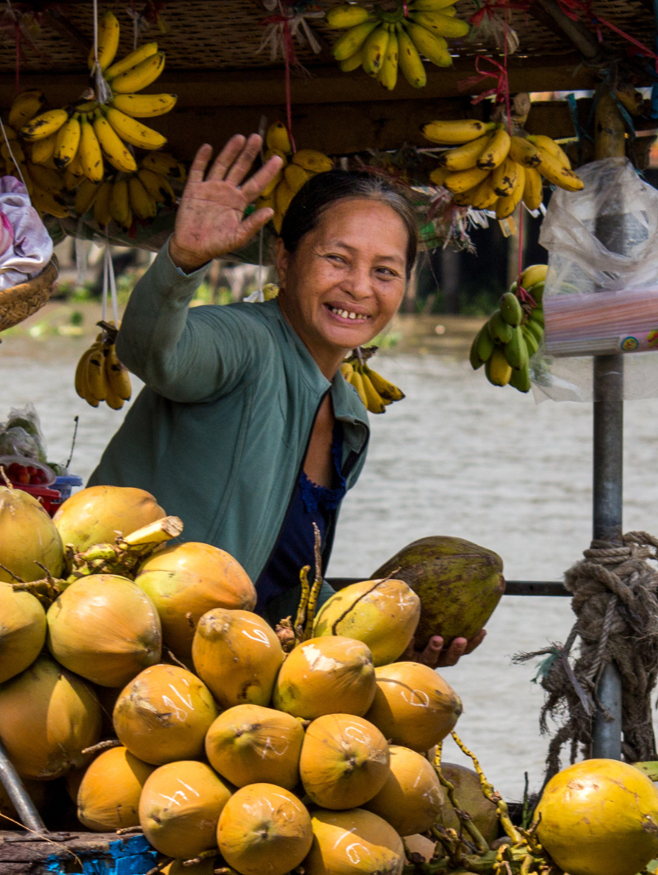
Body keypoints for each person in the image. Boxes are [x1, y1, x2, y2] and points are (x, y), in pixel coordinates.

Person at [90, 134, 483, 666]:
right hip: (116, 638)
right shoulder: (244, 341)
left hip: (218, 669)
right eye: (337, 259)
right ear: (285, 258)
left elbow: (281, 588)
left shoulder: (348, 418)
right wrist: (181, 261)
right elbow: (152, 353)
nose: (360, 287)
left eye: (385, 271)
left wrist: (387, 639)